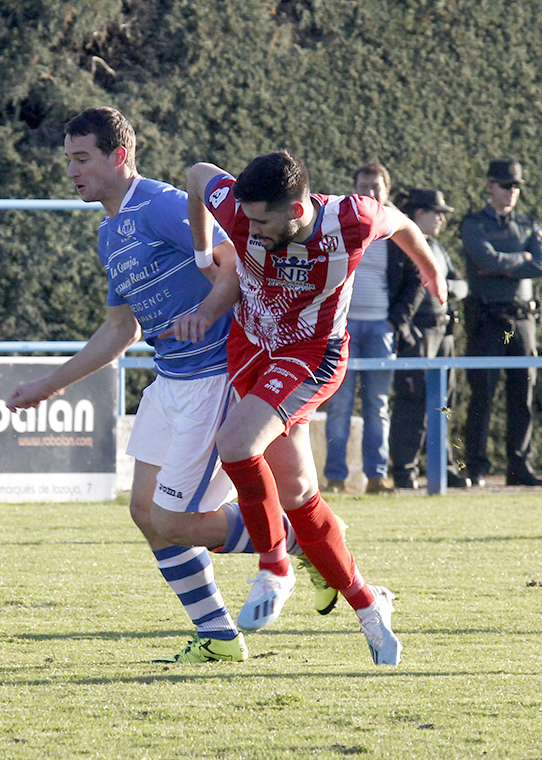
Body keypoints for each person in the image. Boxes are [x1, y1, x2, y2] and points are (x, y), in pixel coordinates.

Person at [6, 109, 337, 664]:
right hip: (170, 380)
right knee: (145, 512)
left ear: (120, 156)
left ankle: (301, 539)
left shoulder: (159, 205)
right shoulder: (109, 232)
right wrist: (48, 384)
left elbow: (233, 264)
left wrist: (205, 315)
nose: (71, 171)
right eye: (68, 159)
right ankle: (219, 637)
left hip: (213, 377)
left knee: (173, 521)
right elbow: (121, 328)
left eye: (82, 158)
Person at [170, 150, 446, 665]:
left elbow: (404, 224)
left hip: (311, 355)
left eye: (261, 222)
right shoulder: (238, 209)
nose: (249, 230)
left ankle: (275, 566)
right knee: (297, 493)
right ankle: (369, 604)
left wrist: (429, 269)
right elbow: (197, 176)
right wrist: (204, 253)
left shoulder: (352, 219)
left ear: (297, 212)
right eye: (246, 220)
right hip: (252, 350)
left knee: (236, 443)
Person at [322, 165, 414, 494]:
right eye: (365, 186)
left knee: (378, 405)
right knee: (339, 405)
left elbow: (415, 278)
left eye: (376, 187)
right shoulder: (339, 222)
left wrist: (394, 321)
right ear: (354, 188)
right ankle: (335, 478)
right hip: (341, 328)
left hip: (381, 329)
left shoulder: (398, 226)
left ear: (387, 189)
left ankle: (377, 477)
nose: (371, 193)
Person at [461, 160, 542, 487]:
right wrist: (522, 259)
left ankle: (519, 465)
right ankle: (476, 467)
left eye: (516, 186)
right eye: (506, 185)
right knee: (482, 393)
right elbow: (485, 259)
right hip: (488, 317)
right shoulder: (474, 224)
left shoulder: (527, 224)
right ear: (490, 186)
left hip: (522, 319)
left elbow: (539, 263)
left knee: (523, 393)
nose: (512, 192)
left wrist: (504, 265)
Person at [388, 188, 470, 489]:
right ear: (419, 213)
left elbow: (461, 286)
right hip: (418, 331)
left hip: (443, 331)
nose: (441, 220)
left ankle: (443, 467)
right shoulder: (400, 246)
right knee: (411, 402)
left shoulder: (436, 247)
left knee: (443, 403)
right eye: (437, 213)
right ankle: (405, 470)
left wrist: (443, 283)